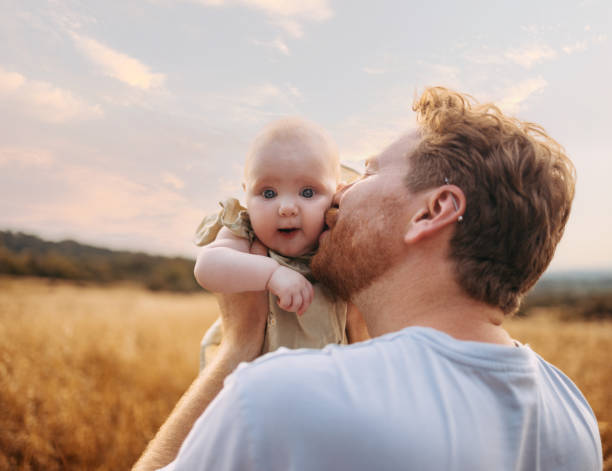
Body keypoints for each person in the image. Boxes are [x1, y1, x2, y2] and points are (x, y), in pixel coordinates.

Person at [134, 87, 603, 471]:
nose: (342, 191)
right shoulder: (572, 413)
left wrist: (236, 348)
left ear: (432, 211)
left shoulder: (277, 398)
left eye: (370, 173)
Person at [192, 118, 359, 370]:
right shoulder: (245, 232)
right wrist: (271, 273)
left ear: (336, 192)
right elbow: (206, 267)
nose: (287, 208)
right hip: (255, 380)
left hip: (327, 381)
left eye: (308, 192)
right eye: (268, 193)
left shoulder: (336, 239)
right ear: (246, 193)